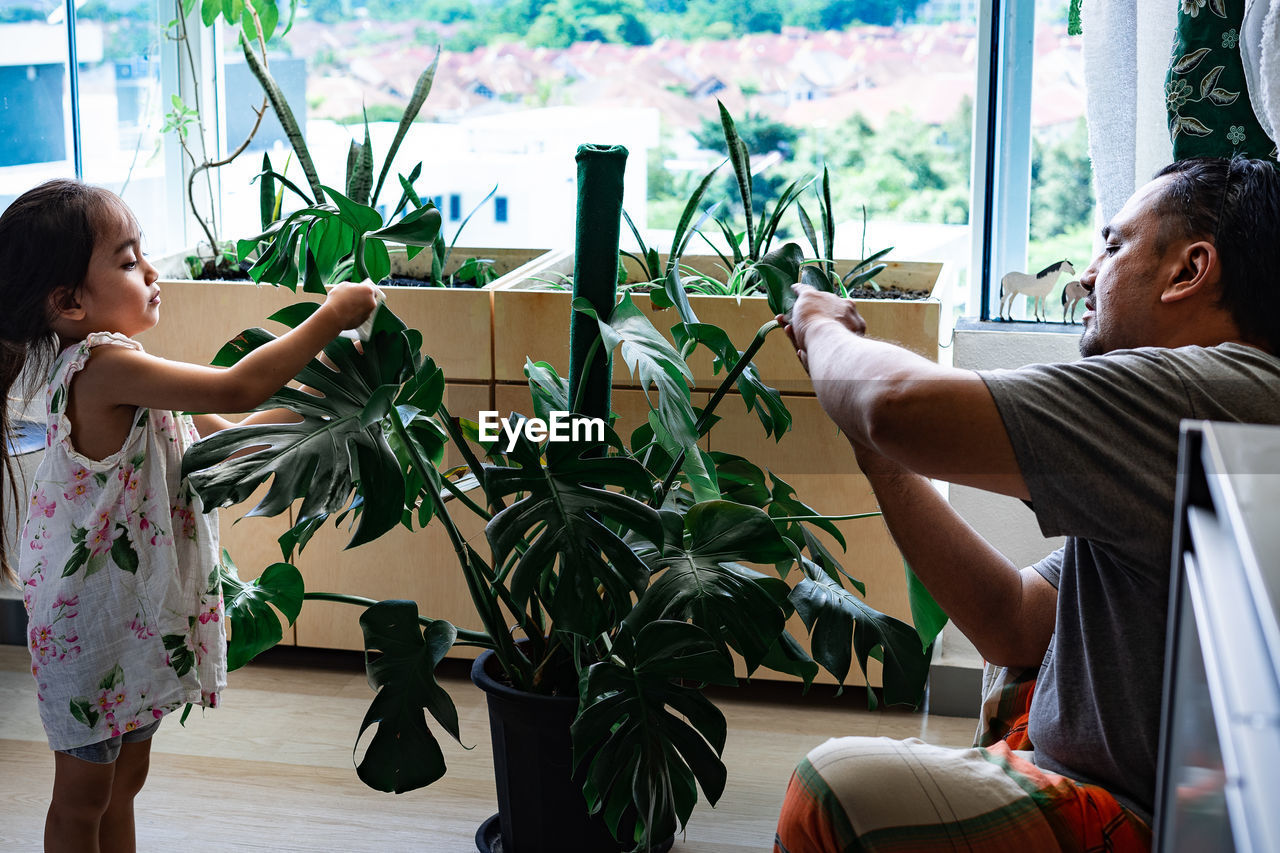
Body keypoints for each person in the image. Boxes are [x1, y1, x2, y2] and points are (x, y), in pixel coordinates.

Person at [773, 156, 1280, 852]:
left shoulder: (1207, 396)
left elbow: (898, 405)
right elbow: (1013, 623)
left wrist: (823, 325)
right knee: (1022, 677)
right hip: (1095, 773)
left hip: (1142, 817)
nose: (1087, 274)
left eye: (1113, 245)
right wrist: (875, 455)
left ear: (1189, 270)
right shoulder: (1207, 405)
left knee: (831, 789)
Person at [0, 179, 380, 852]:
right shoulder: (100, 367)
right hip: (89, 624)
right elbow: (239, 383)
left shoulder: (131, 367)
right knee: (83, 794)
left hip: (136, 615)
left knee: (126, 780)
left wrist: (333, 378)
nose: (149, 270)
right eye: (125, 259)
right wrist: (330, 316)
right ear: (68, 302)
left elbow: (236, 433)